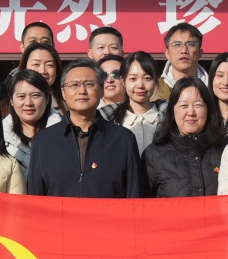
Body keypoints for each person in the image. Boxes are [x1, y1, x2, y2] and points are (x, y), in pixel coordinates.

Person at [28, 58, 145, 197]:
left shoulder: (123, 139)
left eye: (89, 84)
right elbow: (35, 200)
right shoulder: (43, 142)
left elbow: (134, 196)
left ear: (101, 90)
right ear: (63, 92)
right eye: (74, 85)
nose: (82, 91)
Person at [142, 78, 224, 197]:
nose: (191, 112)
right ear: (172, 110)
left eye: (198, 105)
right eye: (184, 105)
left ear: (208, 109)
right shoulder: (153, 155)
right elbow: (143, 203)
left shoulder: (225, 152)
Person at [2, 68, 60, 180]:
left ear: (47, 98)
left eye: (35, 95)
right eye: (21, 96)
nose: (28, 103)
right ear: (11, 100)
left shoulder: (64, 133)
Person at [115, 52, 167, 153]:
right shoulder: (110, 120)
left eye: (147, 78)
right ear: (123, 81)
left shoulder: (169, 118)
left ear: (156, 80)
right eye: (133, 79)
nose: (140, 85)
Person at [156, 22, 205, 98]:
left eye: (191, 45)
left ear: (200, 53)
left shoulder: (214, 89)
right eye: (177, 45)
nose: (184, 51)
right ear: (167, 53)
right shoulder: (153, 90)